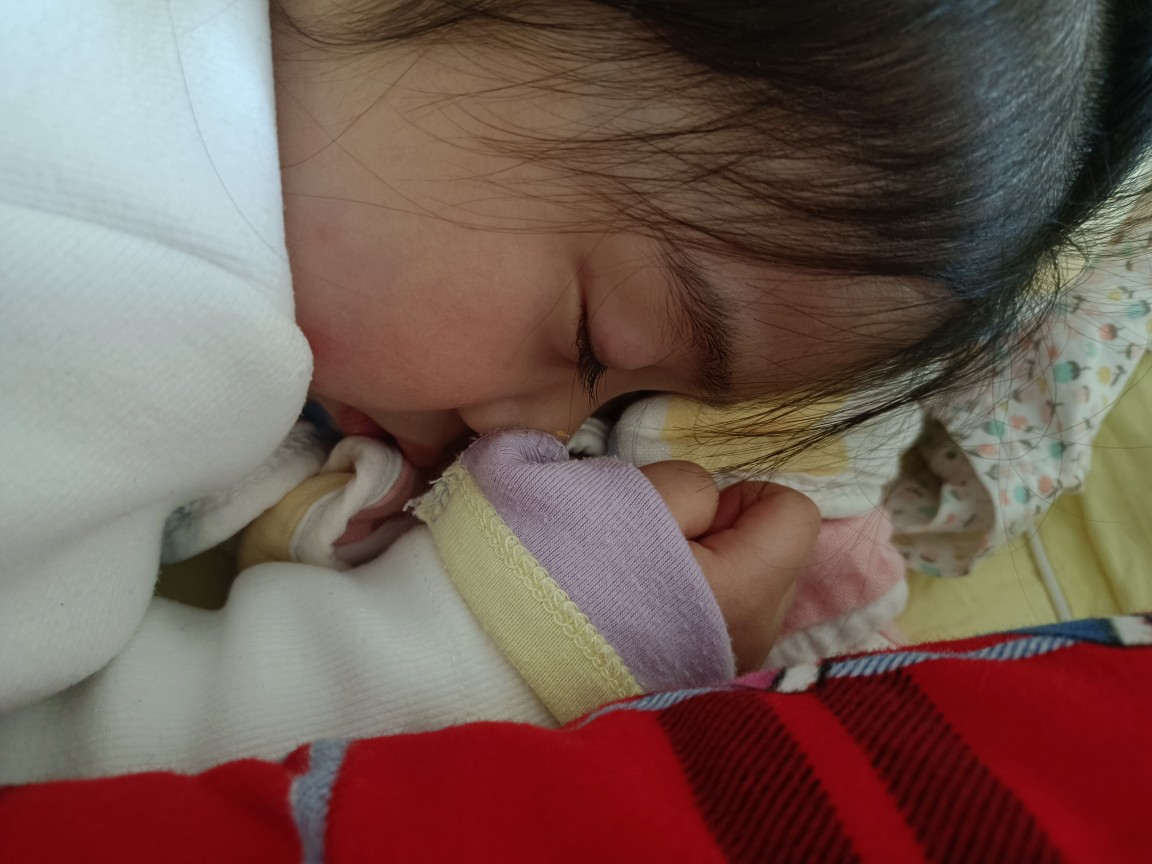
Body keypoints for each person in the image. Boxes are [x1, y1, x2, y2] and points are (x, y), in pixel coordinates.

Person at [1, 0, 1149, 782]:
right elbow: (48, 770)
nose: (543, 429)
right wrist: (497, 648)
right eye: (597, 342)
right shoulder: (170, 291)